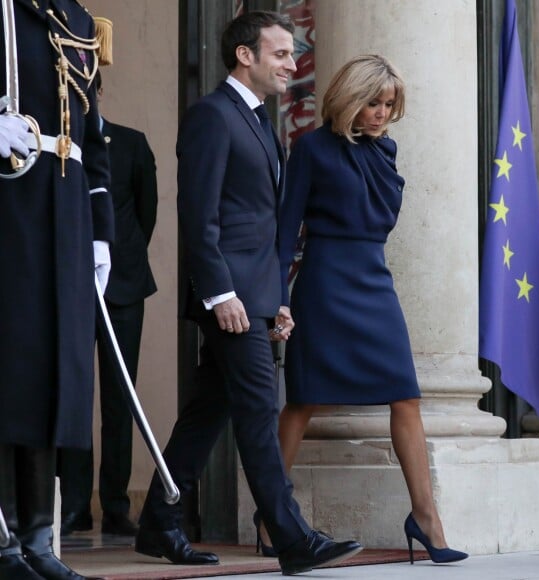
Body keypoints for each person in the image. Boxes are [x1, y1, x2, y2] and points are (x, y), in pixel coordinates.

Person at [135, 10, 362, 575]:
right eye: (281, 53)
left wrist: (275, 299)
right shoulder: (214, 115)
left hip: (254, 295)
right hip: (227, 297)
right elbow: (199, 213)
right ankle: (292, 539)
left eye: (291, 54)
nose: (292, 63)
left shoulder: (261, 120)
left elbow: (257, 223)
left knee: (208, 412)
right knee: (261, 409)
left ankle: (159, 521)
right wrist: (220, 293)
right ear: (245, 55)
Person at [275, 54, 469, 565]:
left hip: (373, 282)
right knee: (304, 399)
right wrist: (276, 298)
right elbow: (285, 230)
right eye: (372, 102)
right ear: (347, 99)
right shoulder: (311, 149)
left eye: (388, 105)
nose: (381, 113)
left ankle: (426, 517)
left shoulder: (387, 150)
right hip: (322, 284)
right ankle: (274, 509)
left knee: (405, 395)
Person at [0, 1, 114, 579]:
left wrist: (101, 235)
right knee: (11, 370)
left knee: (56, 374)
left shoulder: (75, 17)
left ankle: (37, 539)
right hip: (10, 201)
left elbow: (94, 138)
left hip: (65, 210)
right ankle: (2, 540)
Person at [58, 70, 158, 538]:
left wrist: (120, 263)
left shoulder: (133, 144)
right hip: (69, 287)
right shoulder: (54, 145)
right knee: (74, 395)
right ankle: (75, 506)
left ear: (97, 93)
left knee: (121, 400)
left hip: (123, 287)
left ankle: (117, 505)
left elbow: (145, 214)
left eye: (87, 91)